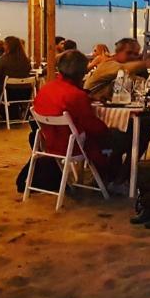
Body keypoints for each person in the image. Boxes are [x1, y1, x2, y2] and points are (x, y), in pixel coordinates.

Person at [33, 49, 131, 192]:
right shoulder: (76, 96)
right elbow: (93, 127)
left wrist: (88, 96)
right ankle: (115, 178)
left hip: (48, 143)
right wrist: (109, 130)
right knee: (124, 138)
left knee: (111, 138)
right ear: (81, 73)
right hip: (74, 147)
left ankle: (110, 175)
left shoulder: (46, 89)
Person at [84, 38, 150, 101]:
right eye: (129, 53)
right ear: (118, 52)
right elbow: (123, 69)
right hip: (88, 106)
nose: (132, 57)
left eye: (136, 54)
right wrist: (147, 63)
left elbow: (137, 82)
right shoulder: (109, 64)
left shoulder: (126, 71)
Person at [0, 35, 33, 118]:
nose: (3, 46)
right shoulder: (26, 61)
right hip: (25, 93)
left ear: (9, 46)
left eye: (5, 44)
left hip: (9, 93)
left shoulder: (3, 60)